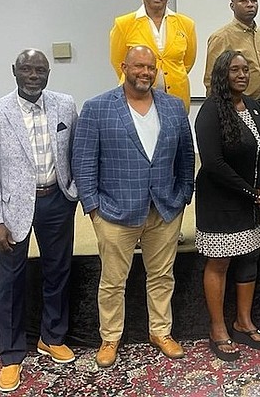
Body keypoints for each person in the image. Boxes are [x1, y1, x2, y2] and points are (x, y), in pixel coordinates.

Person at [72, 45, 195, 367]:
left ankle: (161, 331)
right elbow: (83, 160)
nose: (145, 73)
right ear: (124, 67)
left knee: (162, 276)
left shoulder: (172, 107)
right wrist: (93, 207)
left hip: (164, 209)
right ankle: (110, 338)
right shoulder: (97, 108)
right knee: (113, 280)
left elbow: (185, 156)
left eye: (150, 68)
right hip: (114, 211)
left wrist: (183, 195)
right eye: (139, 66)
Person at [0, 49, 78, 392]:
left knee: (58, 272)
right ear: (14, 71)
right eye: (26, 69)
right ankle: (10, 355)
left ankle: (51, 337)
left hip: (57, 202)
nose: (33, 75)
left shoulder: (65, 105)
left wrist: (73, 193)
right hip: (12, 211)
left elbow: (74, 152)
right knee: (11, 281)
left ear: (48, 73)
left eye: (40, 70)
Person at [195, 50, 260, 361]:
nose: (242, 75)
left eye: (246, 69)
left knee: (249, 259)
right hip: (221, 201)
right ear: (222, 74)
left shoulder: (254, 108)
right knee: (220, 262)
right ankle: (217, 328)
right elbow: (212, 162)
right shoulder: (211, 111)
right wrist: (249, 191)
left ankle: (243, 321)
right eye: (234, 70)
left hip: (253, 201)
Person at [204, 0, 260, 233]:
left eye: (254, 0)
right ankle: (238, 210)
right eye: (244, 0)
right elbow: (211, 78)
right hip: (233, 109)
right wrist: (221, 113)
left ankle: (258, 212)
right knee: (239, 161)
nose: (250, 4)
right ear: (232, 5)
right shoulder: (222, 36)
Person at [110, 0, 197, 113]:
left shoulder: (186, 24)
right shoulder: (123, 24)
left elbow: (188, 62)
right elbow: (119, 63)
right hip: (135, 97)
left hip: (176, 98)